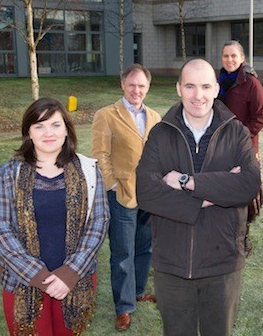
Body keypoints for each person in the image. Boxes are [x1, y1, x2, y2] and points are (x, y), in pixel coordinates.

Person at [136, 58, 261, 336]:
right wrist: (212, 194)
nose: (198, 95)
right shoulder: (160, 134)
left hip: (222, 263)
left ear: (216, 89)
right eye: (190, 86)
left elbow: (248, 185)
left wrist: (186, 182)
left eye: (205, 86)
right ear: (179, 89)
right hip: (172, 265)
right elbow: (146, 192)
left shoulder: (237, 132)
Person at [0, 97, 109, 335]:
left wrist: (70, 273)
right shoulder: (8, 173)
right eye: (39, 126)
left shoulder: (89, 171)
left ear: (66, 130)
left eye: (55, 125)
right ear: (28, 133)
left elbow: (98, 223)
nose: (48, 133)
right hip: (22, 282)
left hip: (76, 281)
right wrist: (38, 276)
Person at [91, 63, 162, 331]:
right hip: (122, 195)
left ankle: (138, 291)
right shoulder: (106, 115)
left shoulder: (155, 117)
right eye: (132, 84)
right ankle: (123, 306)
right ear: (123, 84)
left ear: (148, 88)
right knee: (122, 252)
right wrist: (112, 185)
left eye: (142, 85)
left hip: (149, 195)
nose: (136, 90)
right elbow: (100, 154)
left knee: (145, 248)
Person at [217, 40, 263, 231]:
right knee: (223, 190)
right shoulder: (218, 82)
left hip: (244, 147)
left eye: (233, 56)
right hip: (220, 147)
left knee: (245, 193)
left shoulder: (251, 83)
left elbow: (260, 118)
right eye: (225, 56)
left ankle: (243, 235)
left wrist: (240, 138)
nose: (229, 60)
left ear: (242, 58)